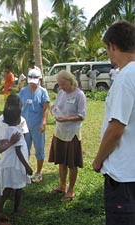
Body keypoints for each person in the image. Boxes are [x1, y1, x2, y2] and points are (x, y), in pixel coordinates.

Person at [92, 20, 135, 225]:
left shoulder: (126, 76)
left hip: (123, 176)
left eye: (107, 49)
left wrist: (98, 160)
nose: (108, 55)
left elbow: (116, 128)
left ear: (113, 46)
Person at [48, 70, 86, 202]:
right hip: (59, 132)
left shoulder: (79, 94)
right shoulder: (61, 93)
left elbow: (82, 115)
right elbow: (56, 107)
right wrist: (53, 111)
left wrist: (67, 119)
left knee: (72, 163)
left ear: (70, 81)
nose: (61, 87)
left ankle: (71, 190)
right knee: (61, 161)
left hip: (72, 134)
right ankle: (62, 185)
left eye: (63, 84)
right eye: (59, 84)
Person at [0, 106, 33, 213]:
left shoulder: (8, 129)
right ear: (16, 119)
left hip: (11, 163)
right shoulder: (16, 132)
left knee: (10, 187)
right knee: (15, 187)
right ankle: (12, 208)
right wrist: (27, 166)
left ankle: (1, 208)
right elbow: (18, 151)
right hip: (16, 165)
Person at [19, 68, 50, 183]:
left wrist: (44, 122)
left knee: (39, 149)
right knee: (24, 148)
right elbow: (19, 105)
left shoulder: (42, 92)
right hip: (24, 125)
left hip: (37, 125)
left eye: (34, 80)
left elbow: (45, 108)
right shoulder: (23, 91)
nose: (32, 83)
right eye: (30, 80)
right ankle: (24, 171)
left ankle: (38, 172)